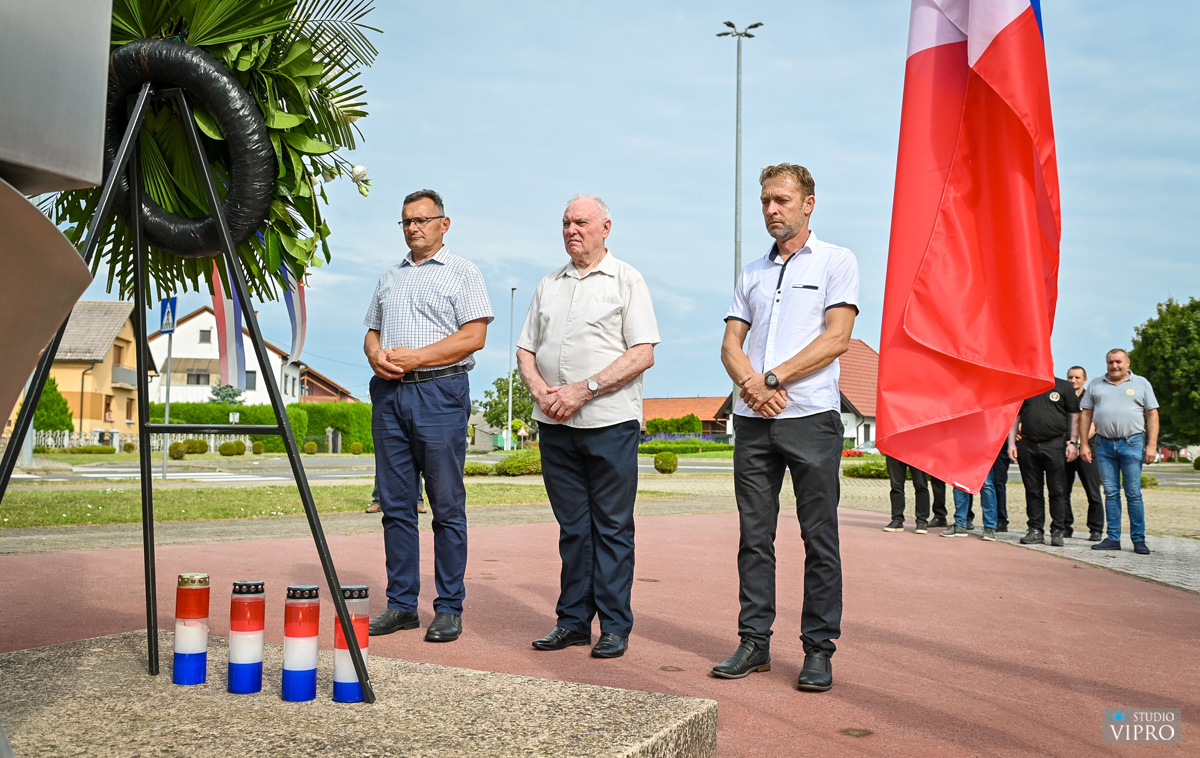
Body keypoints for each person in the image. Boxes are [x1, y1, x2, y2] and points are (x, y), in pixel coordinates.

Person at [711, 164, 858, 693]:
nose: (771, 210)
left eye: (782, 200)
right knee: (755, 538)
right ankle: (754, 642)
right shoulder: (752, 272)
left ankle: (818, 650)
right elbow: (730, 344)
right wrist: (752, 386)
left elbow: (837, 338)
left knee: (819, 538)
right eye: (765, 201)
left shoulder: (837, 260)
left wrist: (772, 378)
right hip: (754, 423)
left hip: (811, 418)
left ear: (808, 204)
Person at [517, 194, 659, 660]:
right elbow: (525, 350)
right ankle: (573, 622)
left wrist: (585, 389)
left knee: (612, 527)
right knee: (574, 528)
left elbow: (643, 353)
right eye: (565, 223)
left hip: (608, 422)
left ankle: (614, 626)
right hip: (555, 424)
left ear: (605, 228)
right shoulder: (548, 284)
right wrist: (540, 391)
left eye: (580, 222)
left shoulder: (626, 280)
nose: (571, 230)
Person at [363, 189, 493, 643]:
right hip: (390, 395)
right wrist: (375, 355)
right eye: (406, 221)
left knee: (446, 505)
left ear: (444, 223)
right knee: (396, 505)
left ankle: (449, 607)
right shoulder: (390, 277)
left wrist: (417, 357)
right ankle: (401, 605)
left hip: (440, 393)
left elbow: (474, 336)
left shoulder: (463, 272)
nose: (413, 228)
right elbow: (372, 332)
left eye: (421, 220)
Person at [1079, 349, 1159, 554]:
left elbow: (1152, 414)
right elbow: (1086, 414)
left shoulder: (1141, 383)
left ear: (1127, 362)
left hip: (1132, 443)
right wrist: (1084, 444)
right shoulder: (1096, 384)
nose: (1114, 366)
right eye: (1110, 362)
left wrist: (1151, 445)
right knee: (1111, 492)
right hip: (1103, 444)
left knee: (1133, 493)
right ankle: (1113, 538)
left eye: (1118, 362)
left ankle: (1138, 539)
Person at [1010, 377, 1080, 547]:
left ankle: (1058, 530)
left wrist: (1073, 442)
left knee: (1057, 490)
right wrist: (1011, 443)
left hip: (1055, 443)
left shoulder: (1064, 386)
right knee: (1032, 490)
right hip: (1028, 443)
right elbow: (1015, 415)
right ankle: (1035, 529)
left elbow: (1075, 415)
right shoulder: (1025, 386)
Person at [1064, 366, 1104, 541]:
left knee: (1093, 491)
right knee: (1062, 491)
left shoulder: (1092, 398)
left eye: (1077, 377)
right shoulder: (1063, 398)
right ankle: (1065, 527)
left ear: (1085, 380)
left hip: (1087, 449)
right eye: (1070, 377)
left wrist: (1080, 443)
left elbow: (1095, 424)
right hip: (1065, 449)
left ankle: (1096, 529)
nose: (1073, 380)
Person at [883, 457, 936, 533]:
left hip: (917, 453)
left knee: (921, 485)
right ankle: (897, 520)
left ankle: (922, 521)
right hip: (894, 452)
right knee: (896, 486)